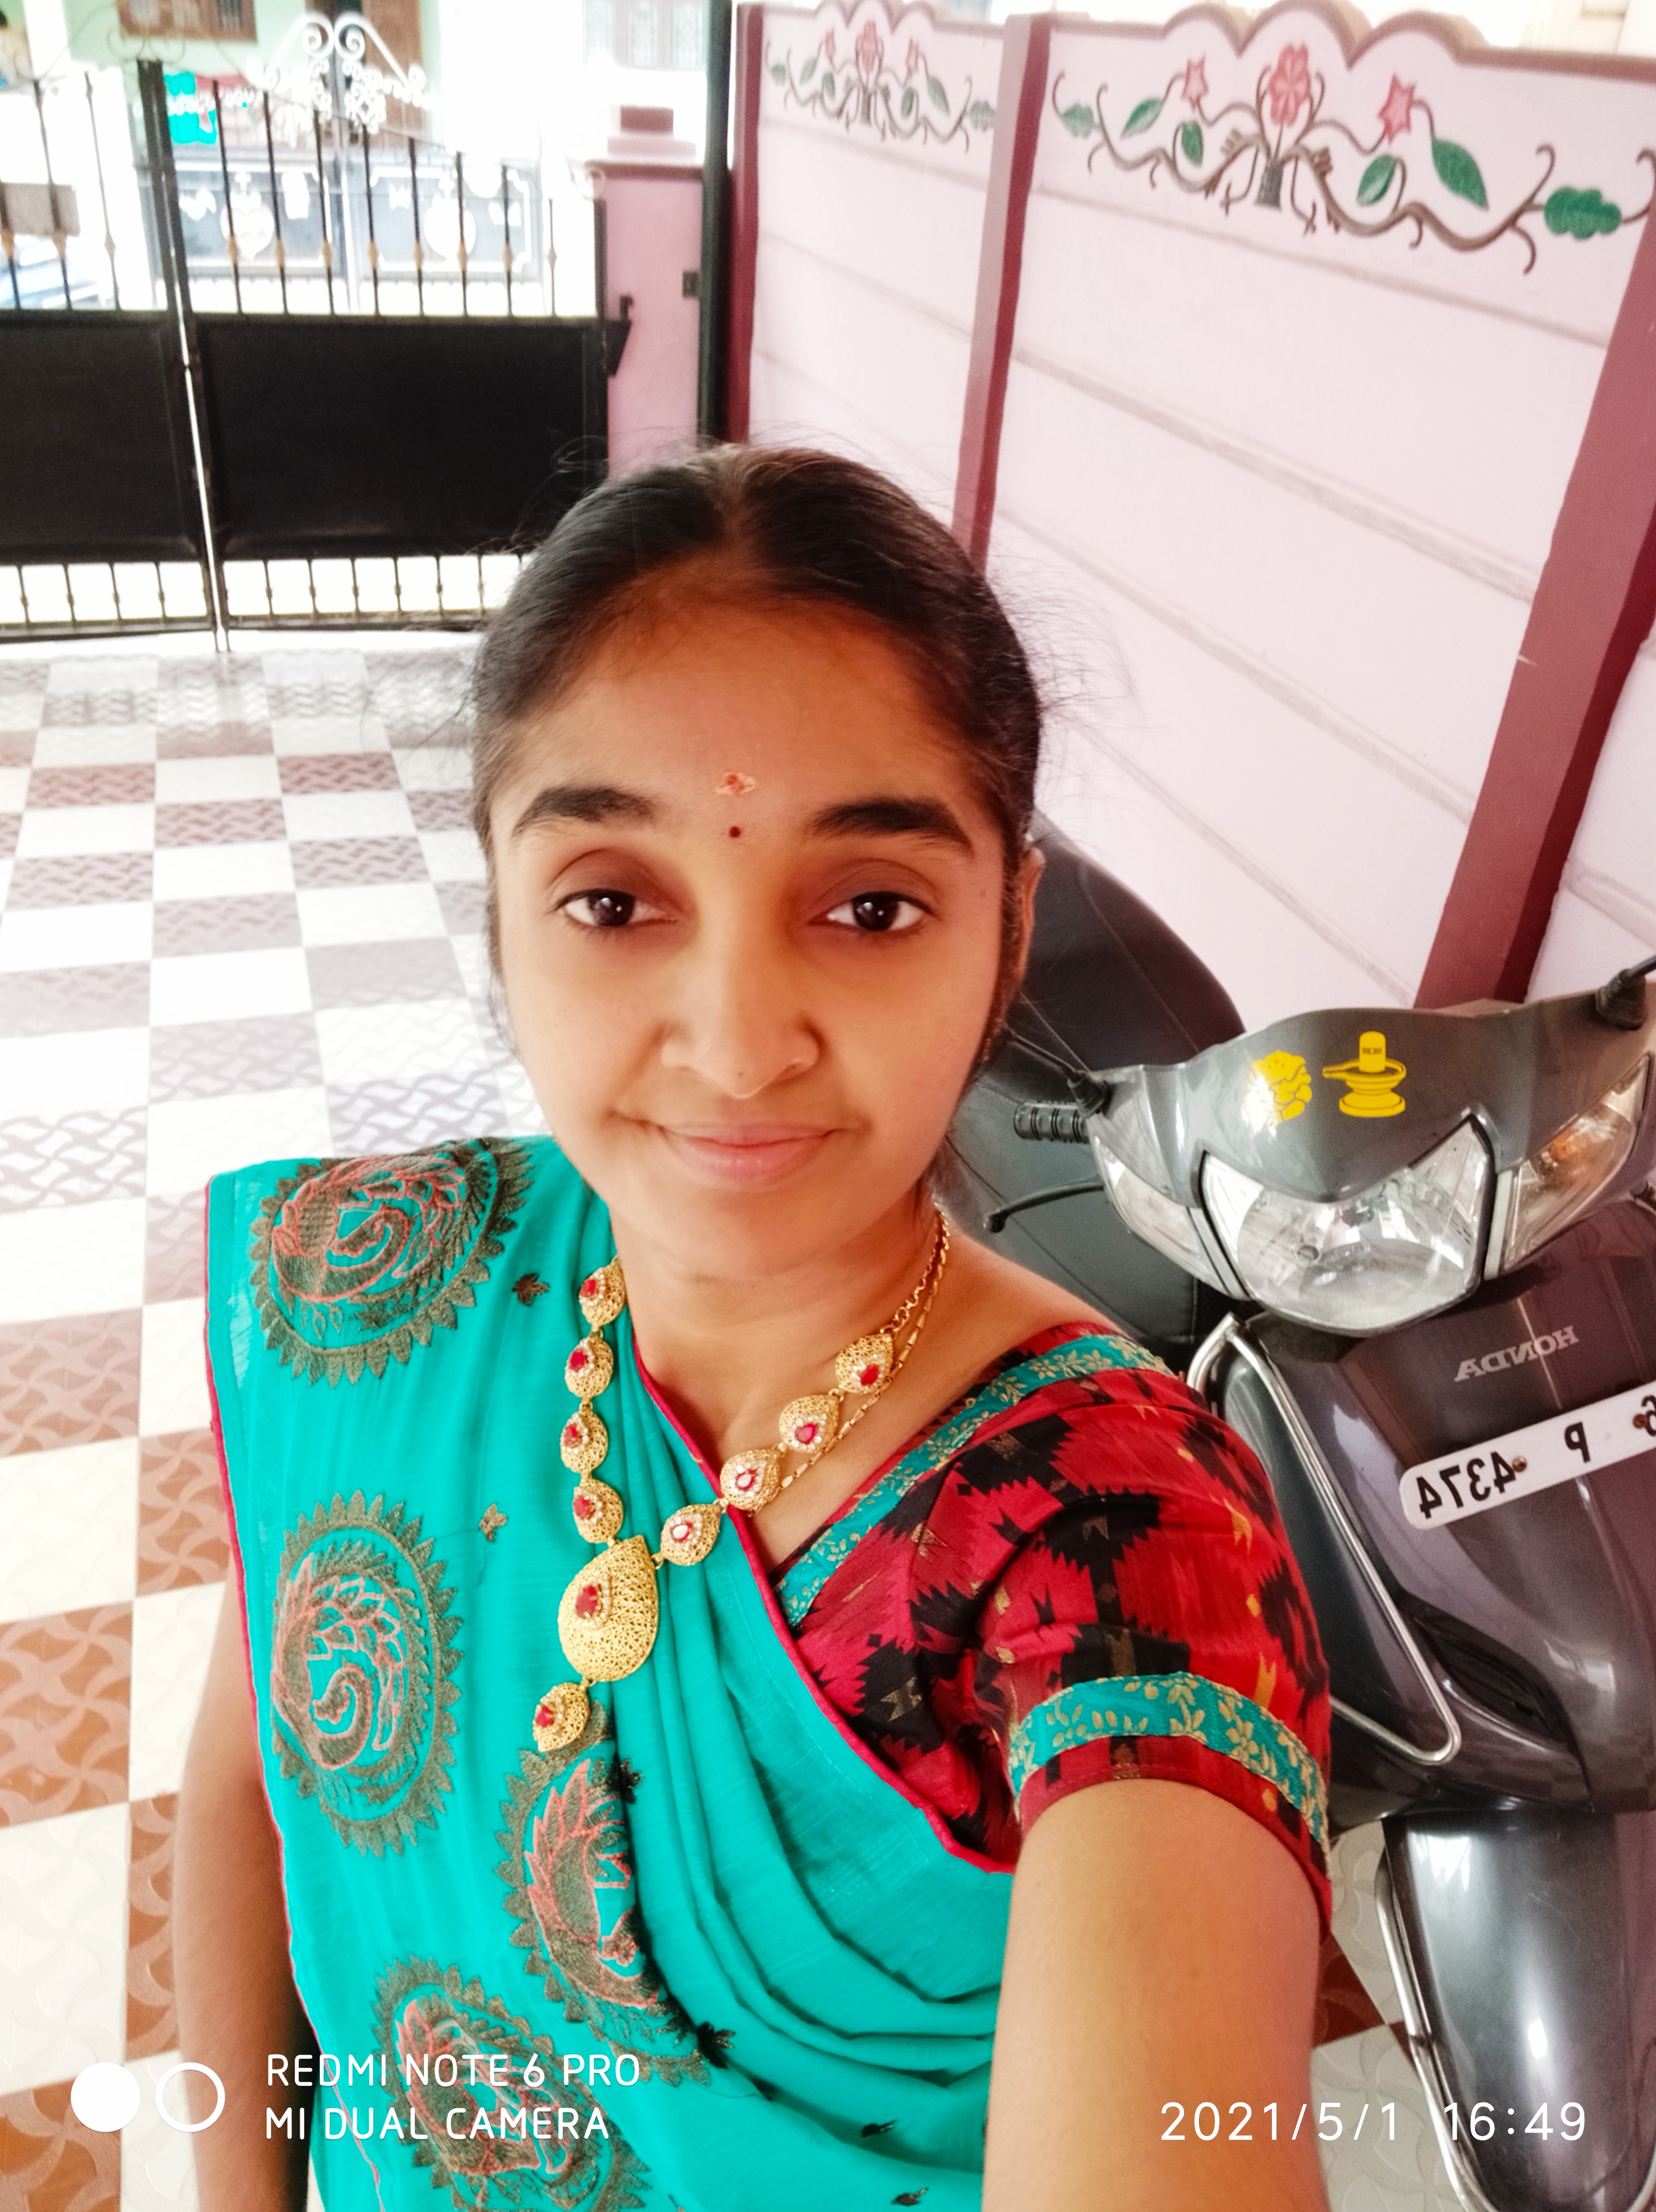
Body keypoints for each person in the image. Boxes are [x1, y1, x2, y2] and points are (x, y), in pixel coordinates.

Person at [176, 445, 1334, 2212]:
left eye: (870, 907)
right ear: (500, 908)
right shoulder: (386, 1287)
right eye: (613, 901)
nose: (734, 1045)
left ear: (1009, 927)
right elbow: (249, 1789)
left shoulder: (1113, 1541)